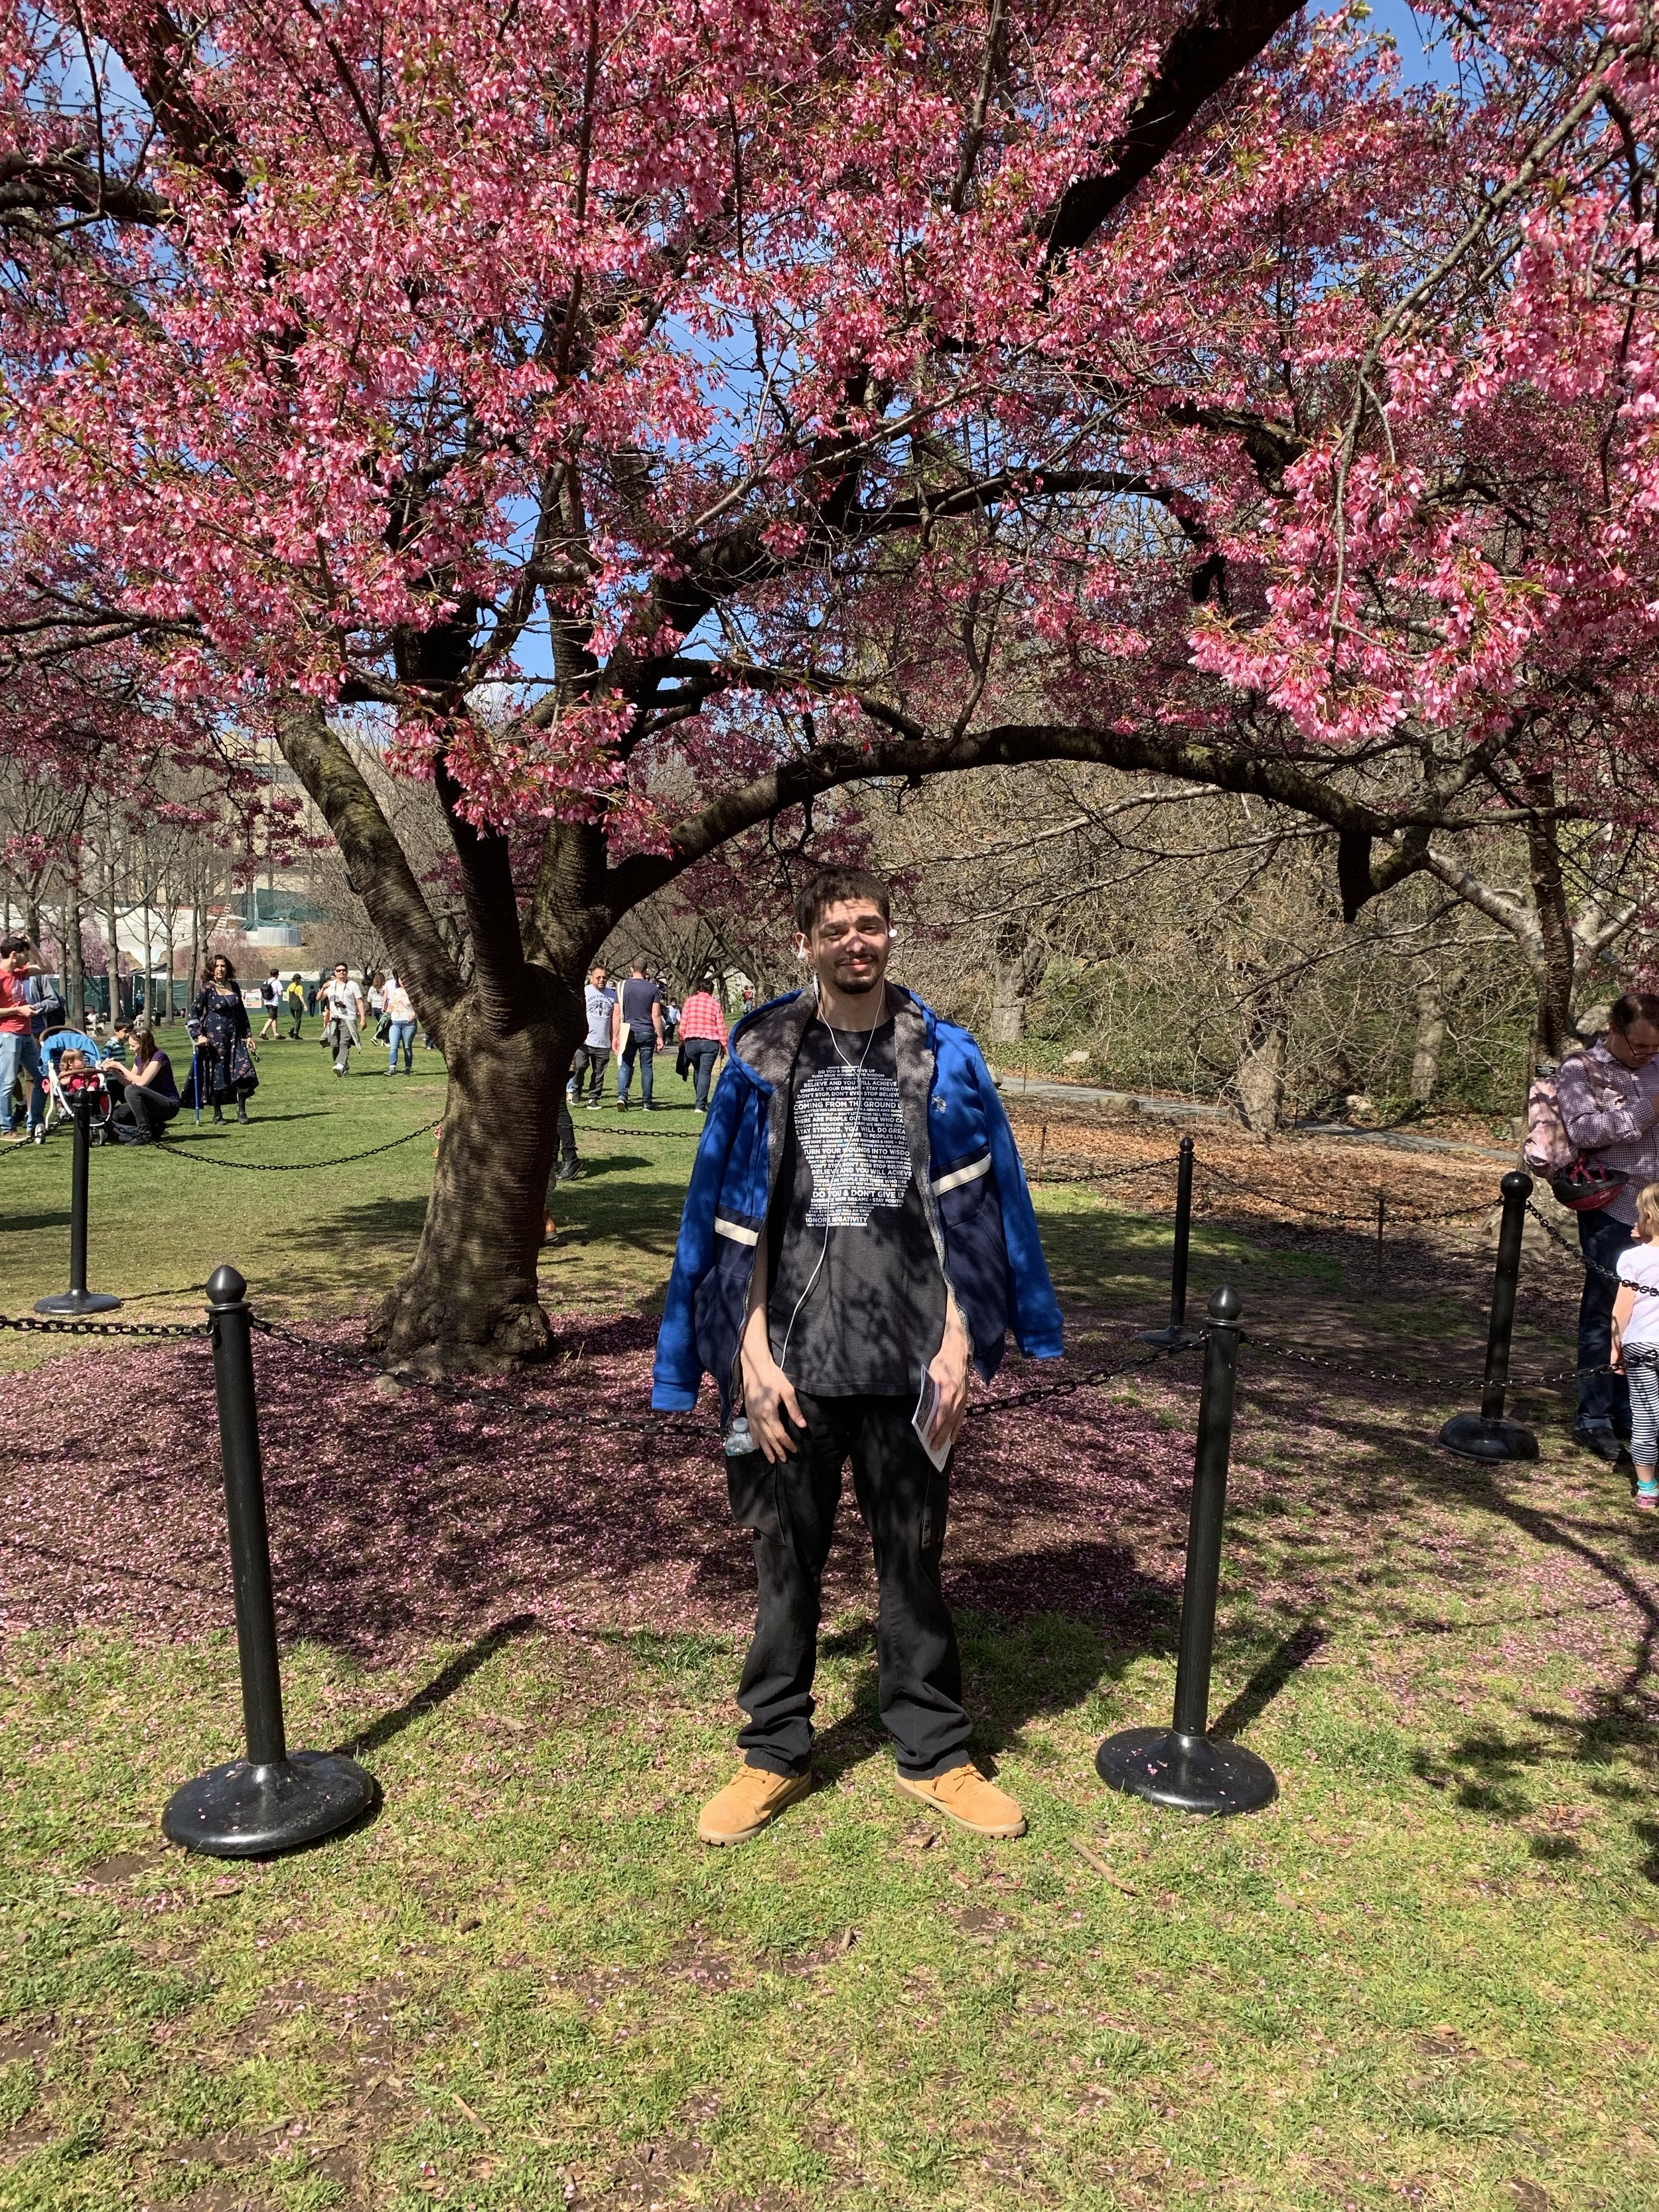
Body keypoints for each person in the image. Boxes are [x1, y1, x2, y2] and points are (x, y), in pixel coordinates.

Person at [653, 867, 1064, 1848]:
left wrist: (962, 1342)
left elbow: (977, 1213)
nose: (855, 942)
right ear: (806, 942)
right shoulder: (760, 1058)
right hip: (792, 1366)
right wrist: (747, 1357)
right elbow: (727, 1220)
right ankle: (773, 1752)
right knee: (784, 1568)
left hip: (912, 1365)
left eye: (869, 924)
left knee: (914, 1562)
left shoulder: (944, 1059)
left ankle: (935, 1752)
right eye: (835, 928)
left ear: (891, 933)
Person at [1555, 990, 1659, 1460]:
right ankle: (1593, 1415)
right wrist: (1646, 1111)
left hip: (1657, 1208)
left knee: (1649, 1315)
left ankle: (1632, 1410)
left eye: (1654, 1049)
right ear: (1614, 1030)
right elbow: (1583, 1130)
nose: (1646, 1055)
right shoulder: (1582, 1070)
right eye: (1638, 1046)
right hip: (1613, 1207)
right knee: (1605, 1310)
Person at [1612, 1180, 1659, 1509]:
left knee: (1644, 1418)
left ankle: (1647, 1487)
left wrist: (1614, 1350)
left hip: (1641, 1344)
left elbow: (1622, 1309)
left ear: (1646, 1215)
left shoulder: (1633, 1259)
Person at [188, 954, 258, 1123]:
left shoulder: (234, 986)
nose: (220, 969)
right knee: (217, 1075)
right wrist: (199, 1036)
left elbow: (241, 1013)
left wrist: (248, 1035)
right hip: (214, 1040)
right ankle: (217, 1113)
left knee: (244, 1071)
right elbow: (193, 1014)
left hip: (235, 1038)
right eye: (217, 966)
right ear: (212, 969)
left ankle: (242, 1110)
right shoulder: (207, 989)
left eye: (223, 966)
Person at [0, 936, 46, 1143]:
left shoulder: (19, 973)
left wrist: (33, 946)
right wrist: (18, 1009)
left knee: (42, 1078)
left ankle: (34, 1123)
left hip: (26, 1035)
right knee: (8, 1082)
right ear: (13, 955)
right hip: (8, 1035)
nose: (28, 958)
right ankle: (7, 1129)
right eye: (25, 954)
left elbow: (46, 967)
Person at [103, 1020, 180, 1142]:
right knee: (117, 1114)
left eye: (133, 1046)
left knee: (131, 1090)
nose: (130, 1049)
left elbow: (141, 1082)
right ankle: (155, 1126)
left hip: (168, 1104)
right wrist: (115, 1071)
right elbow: (129, 1083)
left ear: (144, 1045)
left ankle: (144, 1134)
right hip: (150, 1104)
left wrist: (121, 1067)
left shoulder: (159, 1057)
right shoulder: (138, 1059)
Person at [614, 956, 665, 1110]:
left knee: (626, 1064)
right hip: (647, 1031)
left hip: (627, 1030)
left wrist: (615, 1036)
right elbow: (656, 1015)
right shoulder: (653, 989)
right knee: (647, 1067)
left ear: (631, 969)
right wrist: (660, 1036)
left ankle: (622, 1096)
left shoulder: (621, 986)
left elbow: (617, 1013)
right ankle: (647, 1102)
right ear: (646, 970)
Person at [678, 972, 729, 1112]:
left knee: (698, 1071)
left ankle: (700, 1101)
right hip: (710, 1042)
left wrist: (682, 1039)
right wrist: (724, 1045)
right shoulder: (715, 1004)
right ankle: (700, 1104)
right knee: (705, 1072)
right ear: (711, 990)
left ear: (699, 989)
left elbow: (683, 1023)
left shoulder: (689, 1001)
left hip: (692, 1042)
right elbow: (721, 1026)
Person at [569, 964, 615, 1107]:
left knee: (599, 1072)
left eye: (605, 977)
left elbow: (615, 1018)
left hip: (603, 1041)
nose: (602, 980)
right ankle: (576, 1090)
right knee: (581, 1067)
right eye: (599, 977)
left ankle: (593, 1098)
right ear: (591, 978)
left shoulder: (613, 995)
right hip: (585, 1040)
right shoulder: (584, 992)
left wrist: (614, 1037)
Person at [321, 962, 366, 1076]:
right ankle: (343, 1066)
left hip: (348, 1018)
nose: (342, 972)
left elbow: (360, 1002)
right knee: (334, 1044)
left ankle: (340, 1065)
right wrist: (322, 989)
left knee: (344, 1042)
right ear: (335, 973)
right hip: (334, 1019)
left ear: (347, 972)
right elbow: (319, 998)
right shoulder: (330, 984)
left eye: (344, 970)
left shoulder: (353, 985)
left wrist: (363, 1018)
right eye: (339, 971)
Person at [384, 971, 417, 1073]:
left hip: (409, 1024)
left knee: (407, 1047)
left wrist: (413, 1014)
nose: (403, 981)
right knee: (393, 1046)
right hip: (395, 1023)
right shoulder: (396, 992)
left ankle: (408, 1068)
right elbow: (391, 1006)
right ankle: (392, 1068)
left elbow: (420, 1006)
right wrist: (385, 1016)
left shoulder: (414, 991)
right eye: (401, 978)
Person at [258, 968, 281, 1043]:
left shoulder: (266, 982)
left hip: (267, 1002)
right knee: (271, 1018)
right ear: (276, 974)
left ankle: (276, 1034)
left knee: (274, 1017)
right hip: (274, 1003)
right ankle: (263, 1032)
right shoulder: (277, 982)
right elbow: (280, 993)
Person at [286, 974, 305, 1039]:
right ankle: (295, 1034)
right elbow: (300, 996)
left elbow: (288, 996)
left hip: (291, 1005)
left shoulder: (290, 986)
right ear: (299, 979)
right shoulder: (299, 987)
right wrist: (304, 1004)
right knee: (298, 1020)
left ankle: (292, 1029)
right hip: (297, 1004)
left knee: (296, 1019)